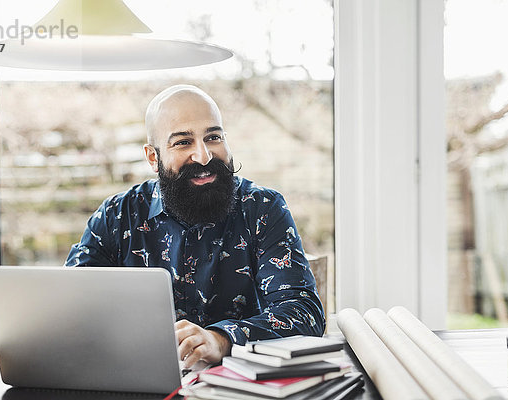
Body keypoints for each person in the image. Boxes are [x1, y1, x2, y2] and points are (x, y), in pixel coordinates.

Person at [65, 84, 325, 368]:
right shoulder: (117, 215)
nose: (203, 156)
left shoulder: (263, 208)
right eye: (182, 142)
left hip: (241, 386)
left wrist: (222, 339)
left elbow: (304, 312)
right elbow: (69, 306)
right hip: (134, 376)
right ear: (153, 157)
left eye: (213, 137)